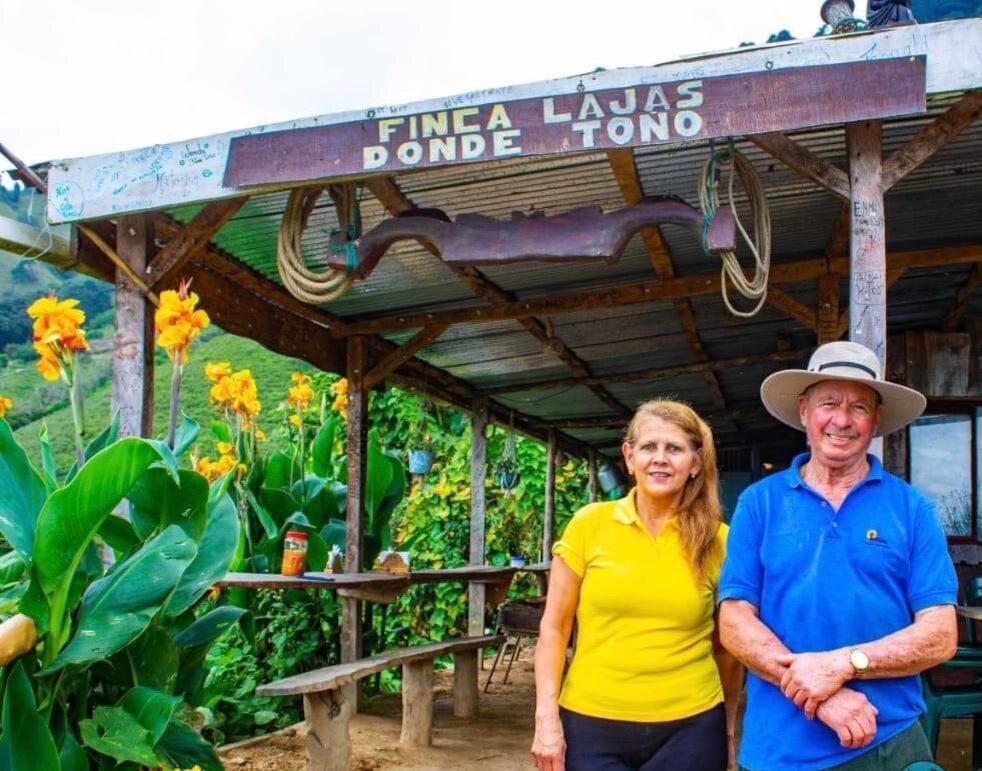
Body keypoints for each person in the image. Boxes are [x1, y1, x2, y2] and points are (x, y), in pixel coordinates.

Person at [718, 341, 959, 770]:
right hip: (779, 749)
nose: (842, 420)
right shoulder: (760, 503)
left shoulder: (912, 508)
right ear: (804, 410)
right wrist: (821, 694)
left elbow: (940, 634)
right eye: (829, 402)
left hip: (886, 739)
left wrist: (845, 664)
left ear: (876, 419)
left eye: (860, 407)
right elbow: (734, 622)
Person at [532, 400, 743, 771]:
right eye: (649, 447)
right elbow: (554, 628)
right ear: (629, 458)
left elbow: (727, 649)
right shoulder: (588, 525)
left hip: (691, 728)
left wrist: (726, 730)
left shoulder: (719, 541)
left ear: (695, 464)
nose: (659, 458)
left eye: (674, 449)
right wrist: (546, 721)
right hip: (590, 723)